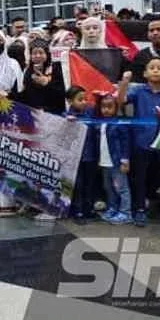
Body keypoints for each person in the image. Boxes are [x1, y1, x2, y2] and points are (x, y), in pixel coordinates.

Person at [117, 60, 160, 231]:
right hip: (141, 142)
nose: (156, 71)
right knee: (140, 177)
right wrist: (124, 82)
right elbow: (121, 101)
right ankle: (139, 210)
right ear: (145, 73)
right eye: (152, 68)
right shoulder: (138, 92)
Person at [63, 85, 98, 224]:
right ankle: (77, 211)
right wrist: (67, 123)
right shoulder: (65, 116)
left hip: (91, 155)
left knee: (90, 183)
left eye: (85, 99)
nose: (84, 102)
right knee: (78, 185)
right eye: (80, 99)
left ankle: (88, 209)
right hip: (75, 157)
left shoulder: (91, 113)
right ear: (70, 101)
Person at [95, 93, 132, 225]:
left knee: (121, 188)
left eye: (109, 106)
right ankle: (113, 208)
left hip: (116, 161)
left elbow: (126, 143)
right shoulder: (99, 123)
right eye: (103, 106)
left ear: (116, 108)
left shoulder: (120, 123)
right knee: (108, 187)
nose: (106, 109)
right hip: (104, 161)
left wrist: (125, 160)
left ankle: (126, 213)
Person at [19, 39, 65, 112]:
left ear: (47, 54)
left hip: (53, 112)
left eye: (41, 53)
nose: (38, 56)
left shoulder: (56, 69)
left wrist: (47, 84)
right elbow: (26, 94)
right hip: (34, 111)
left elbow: (62, 93)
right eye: (34, 53)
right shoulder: (28, 71)